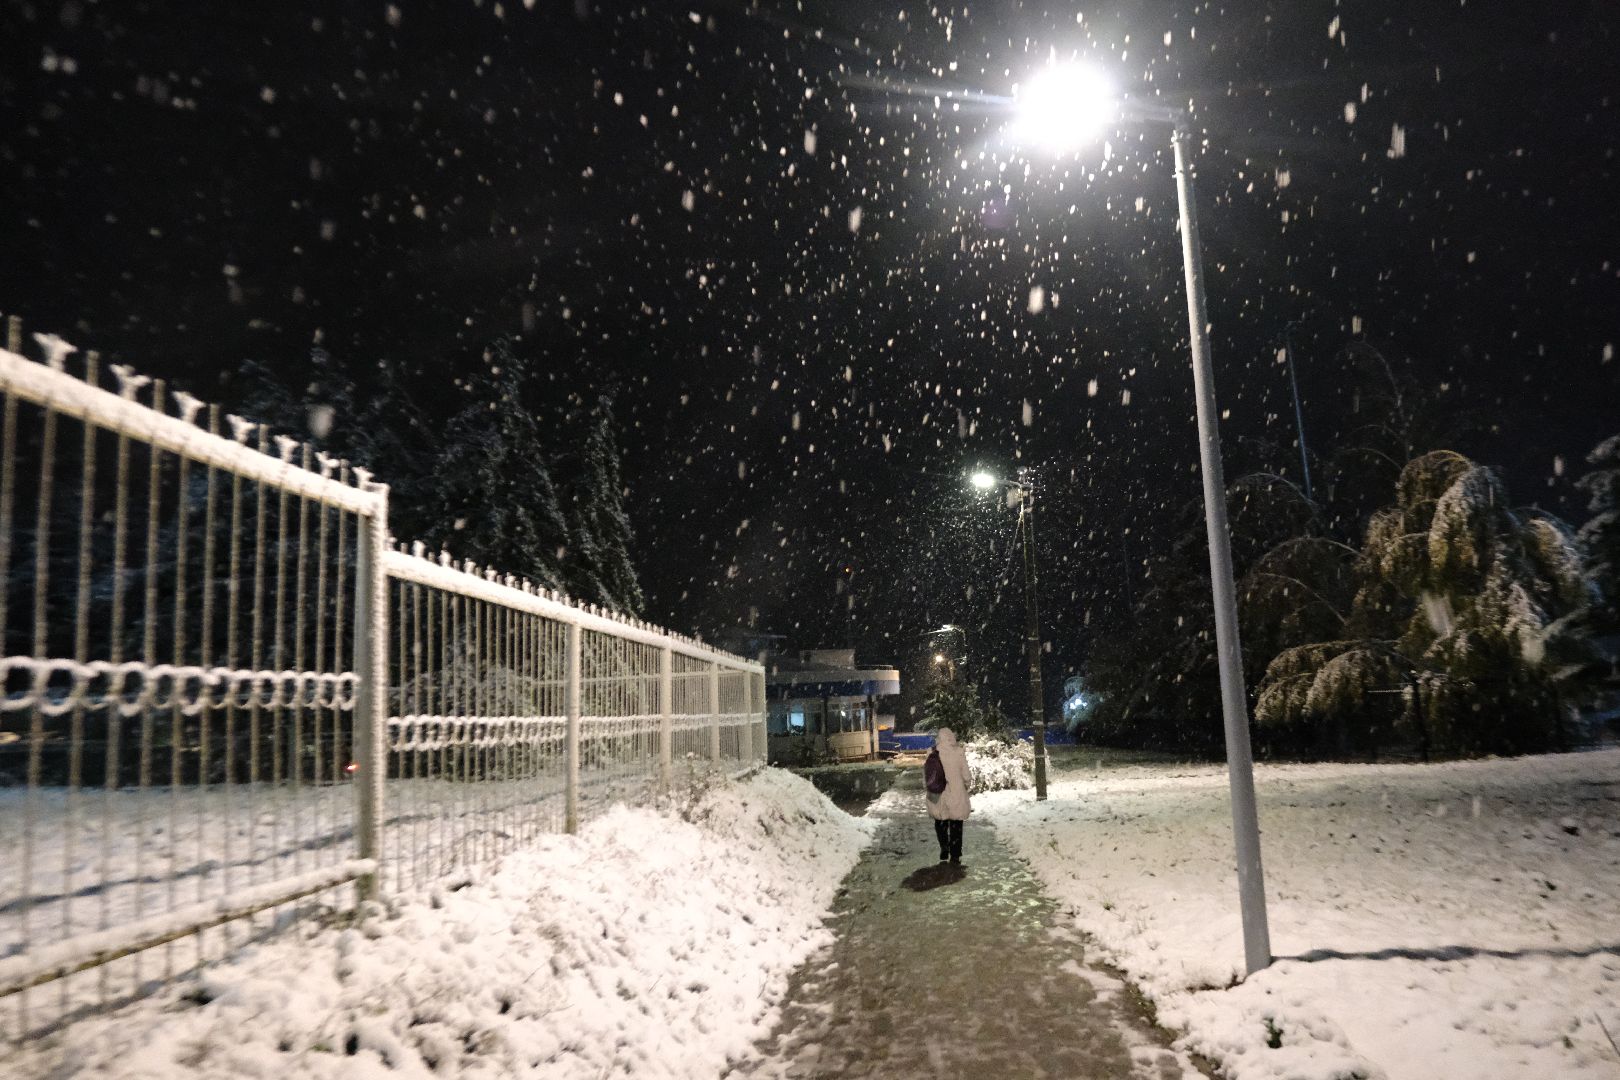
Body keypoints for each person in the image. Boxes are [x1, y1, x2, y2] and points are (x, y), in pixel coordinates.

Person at [926, 727, 972, 863]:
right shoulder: (958, 752)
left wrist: (929, 788)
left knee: (940, 821)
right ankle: (955, 853)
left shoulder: (932, 752)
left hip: (938, 792)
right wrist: (966, 785)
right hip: (956, 791)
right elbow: (966, 775)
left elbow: (927, 774)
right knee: (956, 824)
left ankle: (944, 847)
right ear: (952, 737)